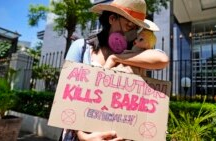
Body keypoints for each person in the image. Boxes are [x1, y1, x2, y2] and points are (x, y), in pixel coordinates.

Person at [60, 0, 169, 140]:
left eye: (136, 28)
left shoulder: (135, 51)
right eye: (128, 25)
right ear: (112, 19)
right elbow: (66, 98)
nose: (132, 32)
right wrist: (83, 136)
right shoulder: (81, 48)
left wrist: (116, 58)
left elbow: (162, 59)